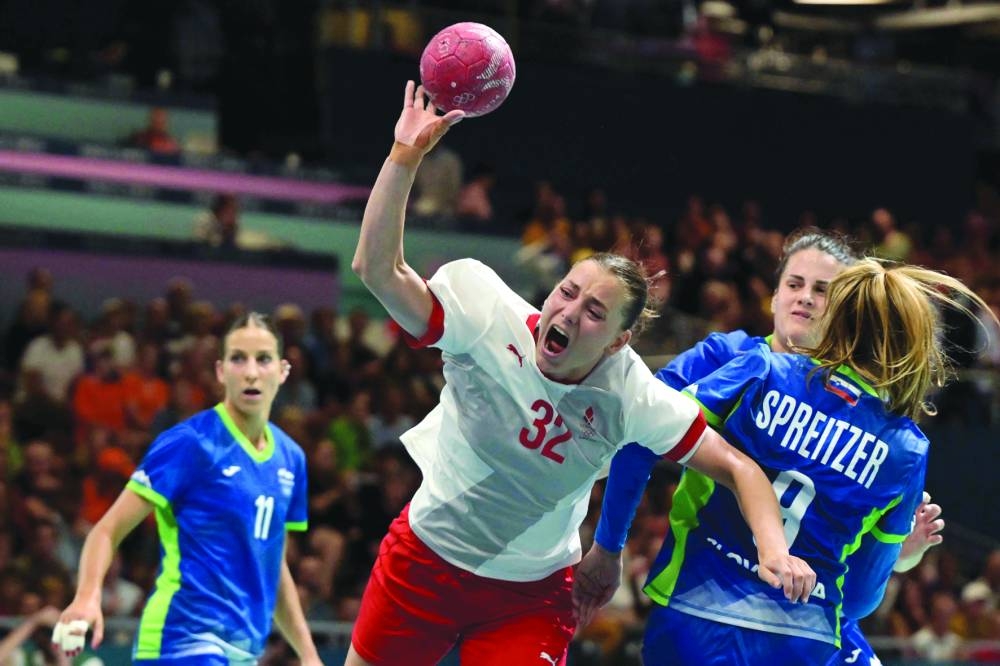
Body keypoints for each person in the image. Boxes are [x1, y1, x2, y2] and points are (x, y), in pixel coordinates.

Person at [343, 80, 814, 666]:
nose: (568, 313)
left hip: (530, 596)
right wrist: (404, 157)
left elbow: (740, 468)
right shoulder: (483, 312)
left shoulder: (631, 393)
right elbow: (377, 269)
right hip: (426, 561)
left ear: (618, 341)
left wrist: (774, 550)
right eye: (567, 292)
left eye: (594, 312)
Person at [583, 253, 994, 665]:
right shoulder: (906, 448)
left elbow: (643, 438)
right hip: (800, 641)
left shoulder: (763, 369)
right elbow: (856, 601)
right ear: (914, 348)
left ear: (836, 320)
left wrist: (608, 546)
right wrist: (899, 555)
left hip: (692, 617)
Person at [51, 313, 322, 666]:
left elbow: (272, 562)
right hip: (182, 640)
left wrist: (309, 654)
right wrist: (87, 596)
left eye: (263, 359)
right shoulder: (190, 443)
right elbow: (107, 529)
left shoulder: (291, 458)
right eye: (238, 359)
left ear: (283, 371)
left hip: (243, 652)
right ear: (221, 371)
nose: (251, 372)